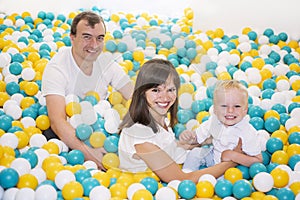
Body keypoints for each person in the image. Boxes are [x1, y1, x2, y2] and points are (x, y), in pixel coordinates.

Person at [118, 58, 237, 183]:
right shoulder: (140, 135)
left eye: (170, 89)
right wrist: (231, 161)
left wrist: (209, 140)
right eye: (156, 90)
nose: (165, 97)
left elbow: (170, 149)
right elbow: (182, 179)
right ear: (142, 92)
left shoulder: (160, 120)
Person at [41, 11, 134, 170]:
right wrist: (89, 153)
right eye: (86, 37)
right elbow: (57, 122)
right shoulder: (57, 68)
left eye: (100, 38)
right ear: (72, 37)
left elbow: (134, 94)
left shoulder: (106, 63)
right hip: (69, 133)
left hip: (102, 128)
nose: (94, 45)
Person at [179, 80, 263, 171]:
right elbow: (197, 138)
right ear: (215, 109)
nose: (230, 110)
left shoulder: (246, 131)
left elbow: (258, 160)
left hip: (232, 169)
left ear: (245, 110)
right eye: (224, 106)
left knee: (222, 181)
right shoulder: (214, 121)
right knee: (195, 152)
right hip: (213, 157)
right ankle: (186, 176)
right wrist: (189, 137)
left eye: (237, 106)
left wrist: (234, 156)